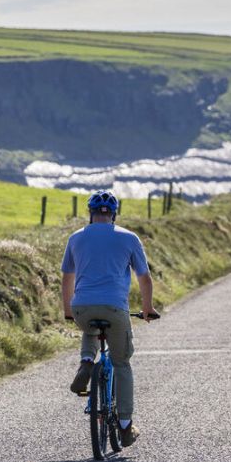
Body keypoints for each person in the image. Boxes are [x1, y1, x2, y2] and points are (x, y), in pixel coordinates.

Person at [61, 190, 159, 447]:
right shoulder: (129, 238)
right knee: (121, 362)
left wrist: (68, 311)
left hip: (82, 306)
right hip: (115, 308)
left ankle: (85, 361)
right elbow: (144, 278)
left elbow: (67, 278)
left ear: (90, 214)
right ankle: (125, 426)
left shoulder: (75, 238)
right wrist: (147, 308)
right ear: (114, 214)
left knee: (90, 329)